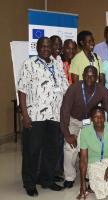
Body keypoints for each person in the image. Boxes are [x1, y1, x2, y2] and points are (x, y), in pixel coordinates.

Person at [18, 37, 69, 196]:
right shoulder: (29, 64)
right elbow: (22, 90)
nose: (46, 49)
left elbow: (65, 88)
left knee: (51, 150)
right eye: (43, 46)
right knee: (32, 150)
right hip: (35, 116)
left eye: (48, 46)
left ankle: (47, 180)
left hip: (54, 115)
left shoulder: (57, 64)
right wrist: (25, 114)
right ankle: (30, 183)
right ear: (37, 48)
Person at [60, 65, 108, 189]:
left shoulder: (101, 90)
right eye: (86, 75)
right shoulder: (73, 89)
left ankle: (90, 174)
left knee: (92, 147)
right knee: (70, 147)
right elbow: (64, 110)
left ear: (96, 77)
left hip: (89, 121)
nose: (89, 78)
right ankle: (69, 177)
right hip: (73, 120)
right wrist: (67, 134)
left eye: (92, 76)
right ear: (82, 76)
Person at [78, 106, 108, 200]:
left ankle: (103, 185)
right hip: (93, 162)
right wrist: (82, 184)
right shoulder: (85, 132)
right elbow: (83, 159)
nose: (99, 119)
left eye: (101, 116)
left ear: (105, 118)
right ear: (91, 119)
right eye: (96, 117)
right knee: (100, 183)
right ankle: (91, 184)